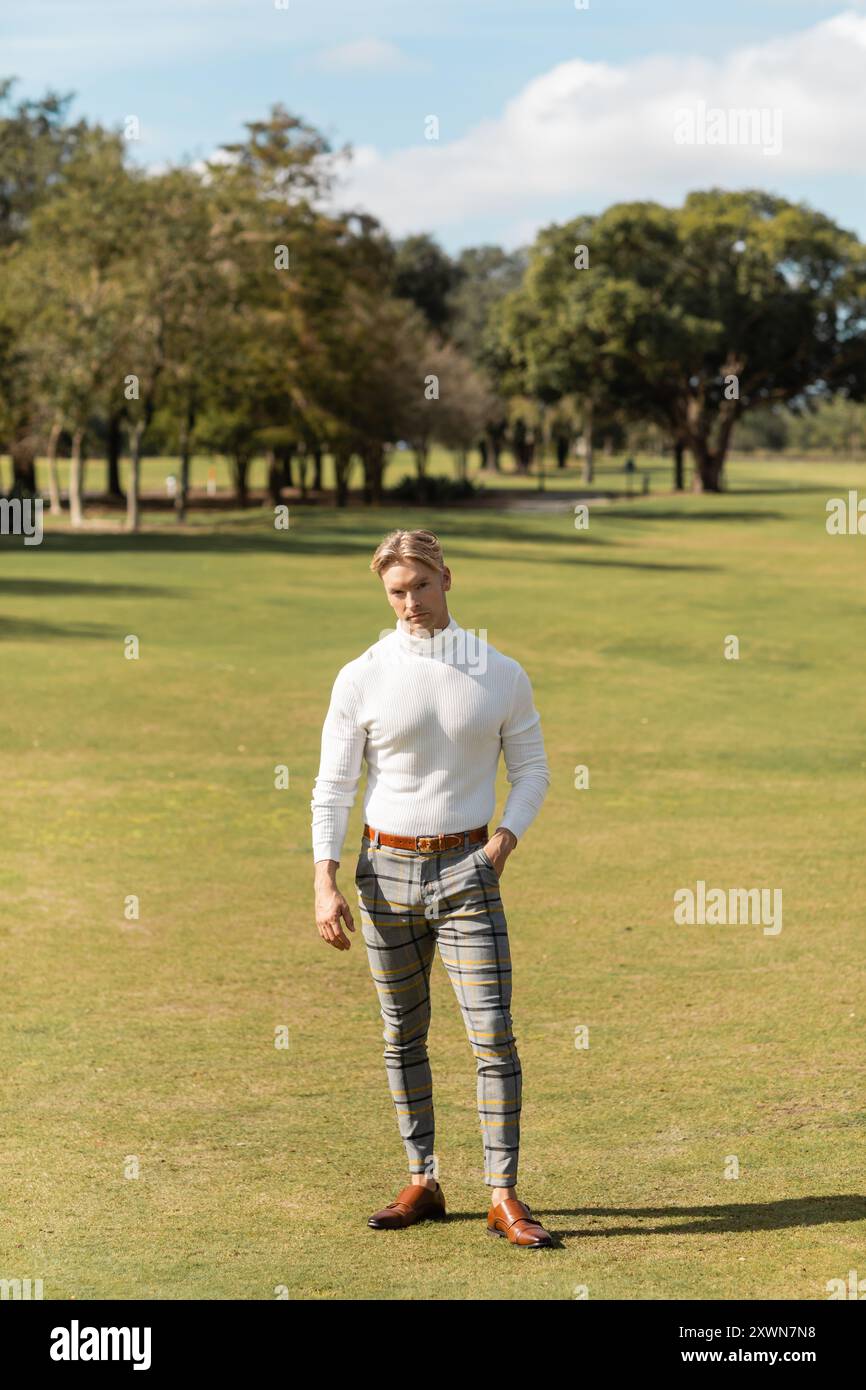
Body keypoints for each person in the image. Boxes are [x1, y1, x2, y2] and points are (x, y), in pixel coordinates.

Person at [311, 528, 553, 1248]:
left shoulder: (499, 672)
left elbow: (534, 770)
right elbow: (334, 786)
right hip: (384, 874)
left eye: (421, 585)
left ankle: (503, 1195)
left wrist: (502, 843)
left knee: (493, 1036)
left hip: (469, 872)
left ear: (447, 577)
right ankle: (422, 1178)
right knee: (401, 1034)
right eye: (396, 591)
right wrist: (323, 881)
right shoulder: (362, 674)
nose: (410, 602)